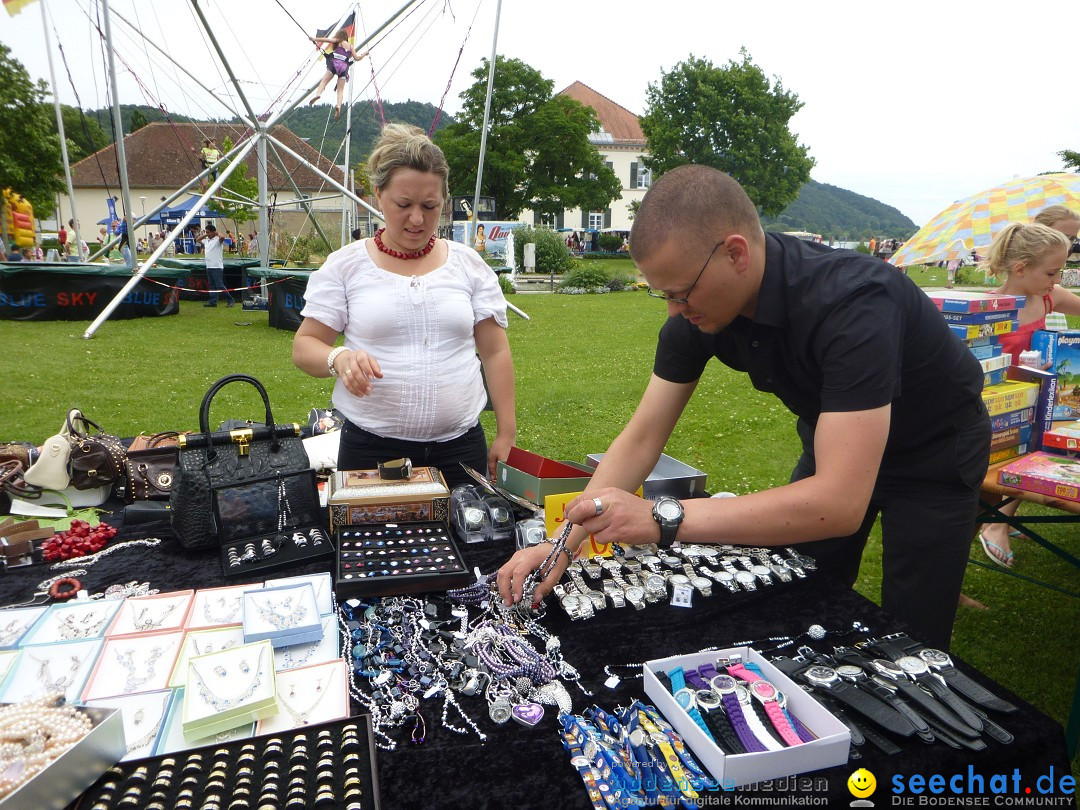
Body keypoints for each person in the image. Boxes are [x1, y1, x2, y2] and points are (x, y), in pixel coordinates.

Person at [497, 164, 990, 651]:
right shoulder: (698, 316)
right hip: (832, 439)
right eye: (662, 295)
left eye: (682, 292)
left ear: (736, 253)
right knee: (799, 590)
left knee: (914, 636)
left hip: (933, 453)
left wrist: (663, 517)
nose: (675, 312)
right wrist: (563, 542)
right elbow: (643, 436)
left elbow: (838, 503)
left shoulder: (853, 303)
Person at [292, 123, 516, 487]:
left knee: (470, 539)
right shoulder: (347, 266)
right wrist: (339, 358)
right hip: (371, 449)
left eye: (430, 206)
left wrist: (507, 433)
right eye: (404, 204)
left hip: (461, 448)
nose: (417, 219)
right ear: (378, 196)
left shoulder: (467, 265)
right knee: (371, 544)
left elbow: (494, 352)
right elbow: (304, 346)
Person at [975, 217, 1080, 567]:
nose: (1058, 281)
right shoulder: (988, 310)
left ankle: (999, 519)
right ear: (1020, 268)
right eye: (1052, 273)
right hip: (997, 408)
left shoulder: (1049, 297)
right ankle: (994, 523)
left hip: (1041, 403)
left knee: (1048, 448)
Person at [307, 30, 369, 120]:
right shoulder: (351, 46)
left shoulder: (338, 41)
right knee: (340, 91)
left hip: (334, 64)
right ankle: (339, 106)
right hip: (343, 68)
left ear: (339, 36)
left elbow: (326, 40)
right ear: (346, 38)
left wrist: (314, 39)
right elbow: (357, 58)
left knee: (324, 81)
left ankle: (318, 94)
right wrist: (364, 54)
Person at [195, 223, 234, 307]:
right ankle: (213, 302)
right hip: (209, 266)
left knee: (220, 285)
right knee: (212, 285)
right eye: (206, 232)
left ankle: (230, 300)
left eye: (209, 232)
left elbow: (222, 237)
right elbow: (197, 239)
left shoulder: (217, 240)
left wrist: (217, 233)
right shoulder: (206, 241)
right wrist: (206, 234)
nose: (207, 234)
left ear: (213, 232)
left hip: (216, 266)